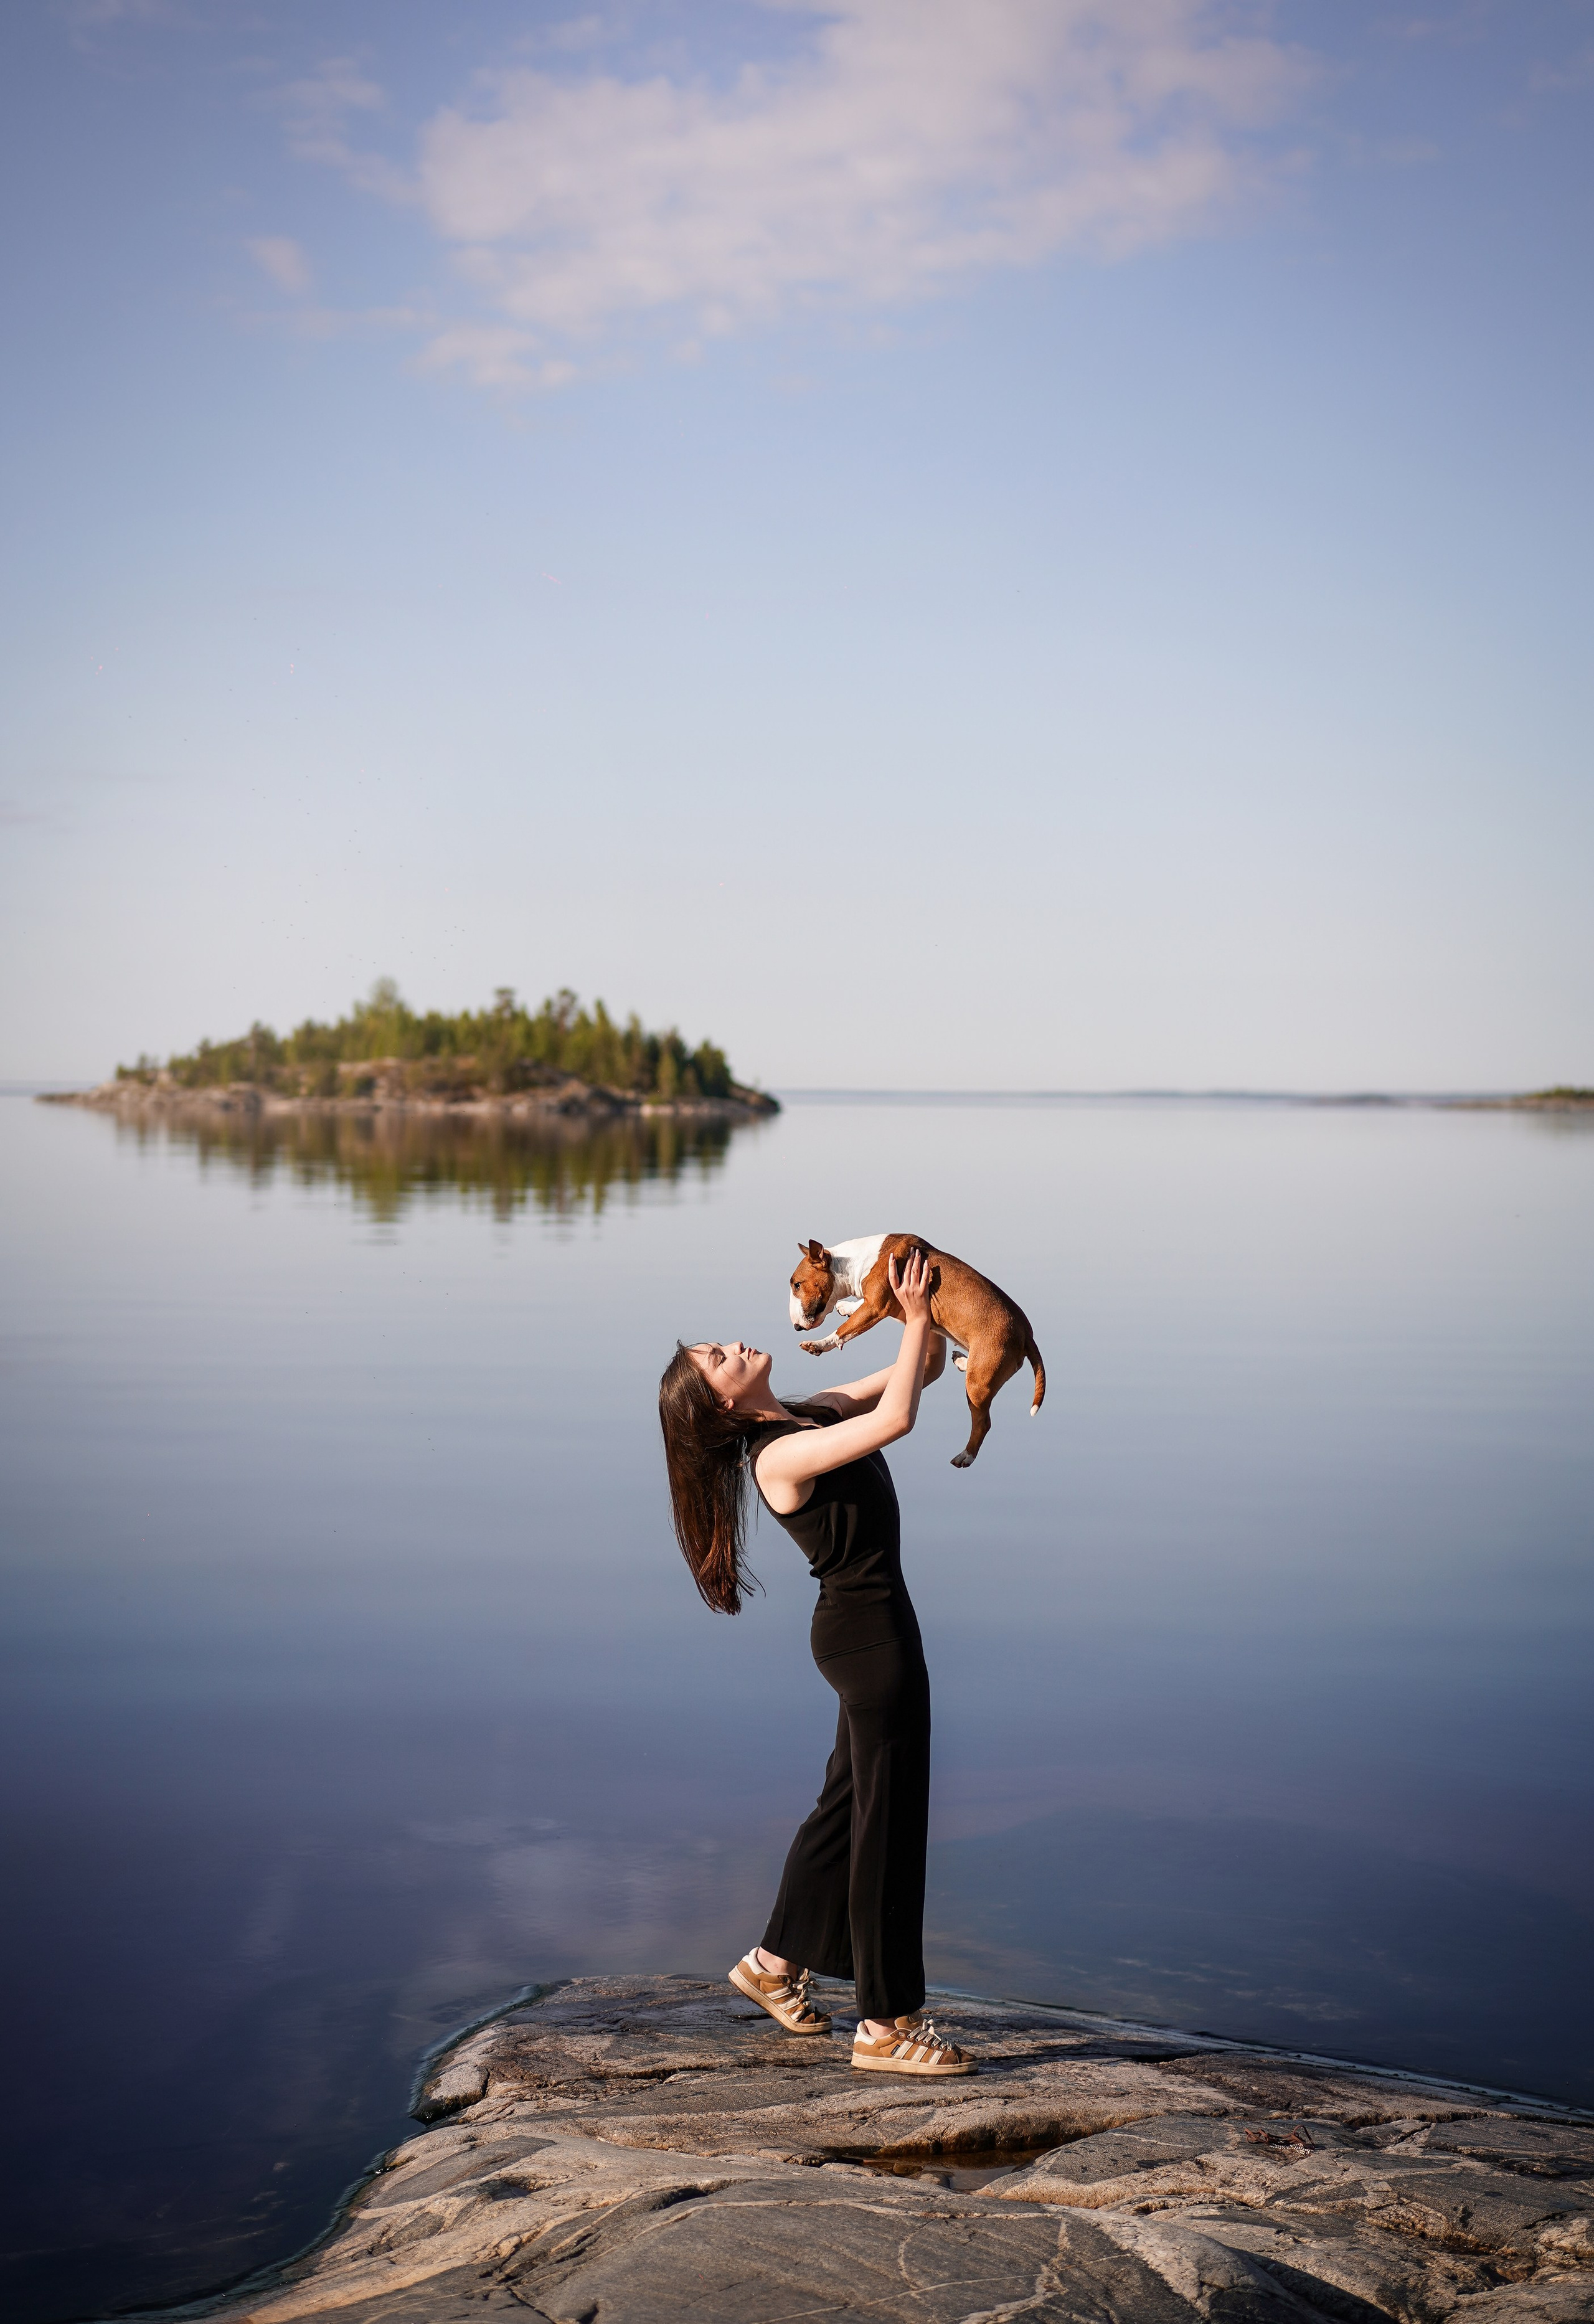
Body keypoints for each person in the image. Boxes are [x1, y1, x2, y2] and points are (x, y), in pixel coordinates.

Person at [657, 1248, 976, 2077]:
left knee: (847, 1806)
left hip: (868, 1634)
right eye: (718, 1360)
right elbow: (898, 1418)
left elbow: (924, 1370)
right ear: (721, 1404)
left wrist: (925, 1302)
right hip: (870, 1646)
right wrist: (906, 1322)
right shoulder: (775, 1459)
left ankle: (770, 1965)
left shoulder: (807, 1414)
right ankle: (886, 2024)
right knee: (889, 1825)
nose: (734, 1347)